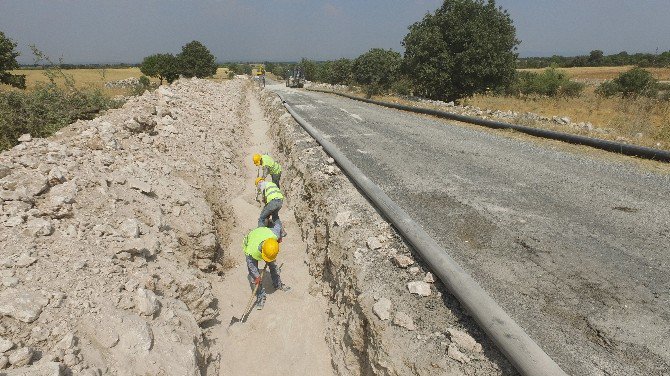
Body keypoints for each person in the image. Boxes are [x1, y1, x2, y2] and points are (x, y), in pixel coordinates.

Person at [243, 225, 290, 310]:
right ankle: (260, 295)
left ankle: (278, 284)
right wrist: (257, 277)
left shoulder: (274, 235)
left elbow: (279, 226)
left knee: (273, 265)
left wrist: (281, 236)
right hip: (251, 241)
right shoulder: (251, 251)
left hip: (264, 237)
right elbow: (251, 265)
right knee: (254, 276)